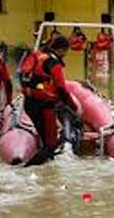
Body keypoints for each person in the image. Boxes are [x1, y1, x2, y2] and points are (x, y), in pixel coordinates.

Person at [20, 35, 82, 166]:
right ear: (62, 50)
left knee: (45, 140)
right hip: (44, 107)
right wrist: (74, 107)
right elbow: (61, 88)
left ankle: (46, 174)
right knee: (51, 145)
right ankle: (25, 170)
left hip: (29, 104)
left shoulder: (38, 57)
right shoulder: (54, 63)